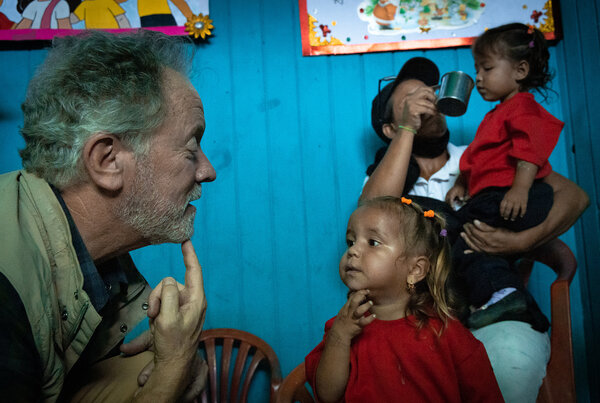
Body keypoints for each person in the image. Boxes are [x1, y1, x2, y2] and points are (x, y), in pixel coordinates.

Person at [0, 30, 216, 402]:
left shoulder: (94, 262)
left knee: (140, 371)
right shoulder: (7, 287)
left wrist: (172, 363)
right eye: (191, 147)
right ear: (107, 161)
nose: (207, 171)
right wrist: (176, 362)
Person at [361, 56, 588, 402]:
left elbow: (574, 196)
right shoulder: (385, 178)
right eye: (411, 99)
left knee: (508, 367)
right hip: (422, 321)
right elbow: (370, 212)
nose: (427, 100)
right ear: (390, 127)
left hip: (495, 312)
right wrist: (408, 128)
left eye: (429, 92)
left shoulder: (481, 157)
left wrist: (519, 241)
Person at [305, 196, 503, 402]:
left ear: (415, 270)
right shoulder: (343, 326)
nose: (353, 251)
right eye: (351, 241)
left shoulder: (447, 334)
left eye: (373, 242)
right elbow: (327, 395)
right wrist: (339, 337)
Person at [446, 23, 563, 329]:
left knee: (459, 241)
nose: (479, 78)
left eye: (486, 68)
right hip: (494, 197)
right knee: (466, 247)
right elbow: (481, 159)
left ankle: (498, 297)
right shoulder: (495, 114)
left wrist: (520, 188)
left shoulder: (522, 107)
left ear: (520, 70)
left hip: (516, 197)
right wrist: (462, 182)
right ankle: (513, 302)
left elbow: (530, 148)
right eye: (477, 69)